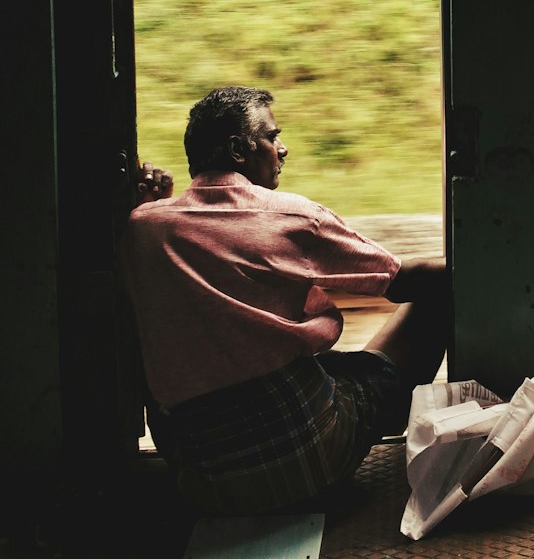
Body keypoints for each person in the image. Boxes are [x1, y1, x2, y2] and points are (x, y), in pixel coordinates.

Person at [120, 85, 449, 515]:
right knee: (434, 301)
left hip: (204, 481)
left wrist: (151, 204)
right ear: (239, 150)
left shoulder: (142, 229)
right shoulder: (290, 216)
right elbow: (402, 281)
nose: (283, 148)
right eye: (272, 138)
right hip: (305, 460)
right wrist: (493, 263)